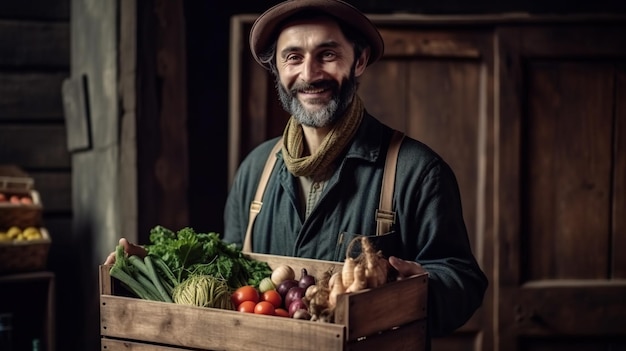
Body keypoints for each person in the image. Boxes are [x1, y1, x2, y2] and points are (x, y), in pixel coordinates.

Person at [106, 0, 487, 347]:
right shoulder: (257, 168)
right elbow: (231, 275)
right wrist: (149, 265)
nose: (309, 73)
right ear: (277, 69)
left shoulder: (416, 171)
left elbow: (463, 281)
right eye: (293, 57)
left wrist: (416, 291)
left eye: (327, 54)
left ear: (358, 61)